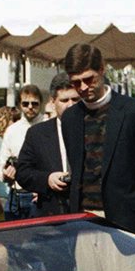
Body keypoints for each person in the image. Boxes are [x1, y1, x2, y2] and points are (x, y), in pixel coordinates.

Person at [56, 44, 135, 236]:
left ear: (102, 69)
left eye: (89, 79)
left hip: (125, 224)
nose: (83, 88)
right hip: (82, 224)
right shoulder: (70, 118)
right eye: (76, 82)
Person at [14, 80, 83, 217]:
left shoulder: (92, 129)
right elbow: (22, 173)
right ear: (53, 102)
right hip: (52, 213)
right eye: (64, 100)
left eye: (75, 99)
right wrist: (47, 179)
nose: (71, 105)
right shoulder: (37, 133)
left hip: (87, 215)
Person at [2, 84, 45, 220]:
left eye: (34, 103)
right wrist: (6, 173)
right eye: (26, 103)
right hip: (16, 196)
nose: (30, 107)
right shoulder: (12, 130)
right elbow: (2, 161)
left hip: (40, 195)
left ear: (41, 104)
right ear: (20, 105)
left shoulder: (49, 125)